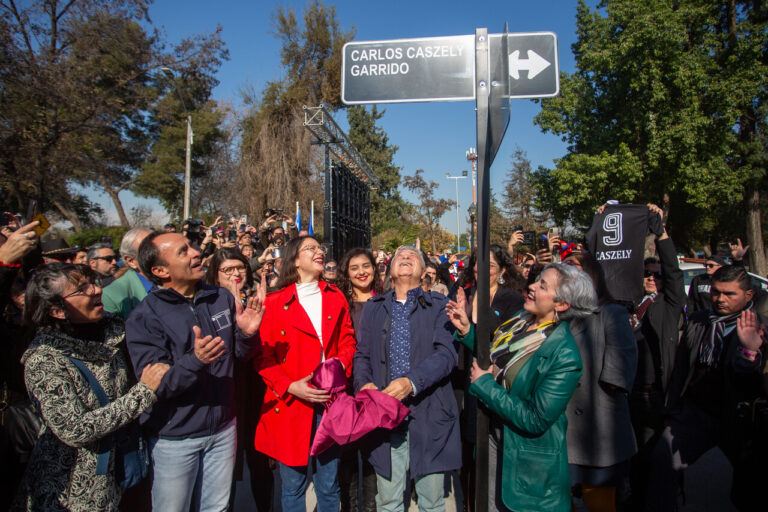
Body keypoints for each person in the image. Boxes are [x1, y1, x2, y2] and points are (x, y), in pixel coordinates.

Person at [125, 232, 265, 512]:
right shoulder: (144, 317)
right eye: (183, 251)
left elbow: (238, 355)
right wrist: (196, 360)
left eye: (192, 246)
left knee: (217, 508)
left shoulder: (220, 297)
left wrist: (247, 334)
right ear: (160, 271)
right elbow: (158, 386)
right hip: (175, 438)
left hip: (224, 429)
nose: (196, 252)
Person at [12, 263, 169, 511]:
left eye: (94, 282)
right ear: (57, 310)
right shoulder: (45, 359)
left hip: (120, 472)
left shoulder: (113, 332)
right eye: (82, 289)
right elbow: (74, 428)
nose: (97, 290)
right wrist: (143, 393)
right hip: (73, 488)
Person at [447, 263, 597, 512]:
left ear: (562, 305)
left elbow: (535, 418)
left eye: (542, 285)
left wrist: (485, 385)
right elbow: (495, 357)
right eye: (536, 280)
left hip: (527, 464)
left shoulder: (565, 355)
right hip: (494, 443)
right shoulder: (521, 320)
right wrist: (466, 331)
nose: (531, 286)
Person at [647, 265, 767, 512]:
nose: (720, 299)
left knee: (750, 488)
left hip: (740, 418)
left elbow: (753, 379)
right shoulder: (699, 321)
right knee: (662, 458)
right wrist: (672, 407)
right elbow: (681, 367)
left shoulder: (760, 327)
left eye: (729, 294)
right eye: (716, 292)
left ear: (748, 296)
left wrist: (750, 352)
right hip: (696, 412)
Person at [354, 245, 461, 512]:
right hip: (385, 413)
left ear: (425, 272)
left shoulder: (440, 306)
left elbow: (446, 354)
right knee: (388, 501)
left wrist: (410, 382)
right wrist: (363, 383)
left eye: (413, 256)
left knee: (431, 501)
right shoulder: (374, 308)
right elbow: (362, 355)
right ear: (389, 272)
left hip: (429, 412)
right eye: (400, 256)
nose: (406, 257)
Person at [254, 236, 357, 512]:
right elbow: (262, 357)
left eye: (320, 248)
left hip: (329, 402)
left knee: (328, 485)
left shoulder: (336, 296)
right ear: (295, 260)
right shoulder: (274, 303)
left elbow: (348, 341)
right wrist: (289, 386)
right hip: (290, 405)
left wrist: (338, 369)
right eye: (310, 248)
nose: (319, 252)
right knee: (293, 487)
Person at [562, 251, 638, 511]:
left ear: (592, 274)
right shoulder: (560, 317)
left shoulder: (611, 314)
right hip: (563, 432)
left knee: (601, 504)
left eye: (575, 267)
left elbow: (619, 375)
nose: (569, 275)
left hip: (598, 433)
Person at [204, 248, 274, 512]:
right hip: (225, 392)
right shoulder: (206, 303)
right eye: (228, 270)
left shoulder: (258, 297)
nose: (236, 274)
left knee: (261, 463)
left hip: (258, 391)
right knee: (226, 470)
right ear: (215, 274)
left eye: (240, 268)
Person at [626, 207, 685, 510]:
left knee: (655, 463)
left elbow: (674, 273)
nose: (650, 279)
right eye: (646, 274)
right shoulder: (629, 305)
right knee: (633, 461)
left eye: (656, 275)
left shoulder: (669, 304)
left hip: (655, 396)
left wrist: (661, 234)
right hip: (627, 394)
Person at [336, 247, 381, 512]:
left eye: (366, 266)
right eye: (354, 268)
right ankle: (349, 506)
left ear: (374, 269)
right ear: (347, 273)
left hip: (377, 386)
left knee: (374, 455)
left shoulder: (386, 300)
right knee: (348, 454)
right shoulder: (340, 303)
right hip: (346, 388)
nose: (361, 272)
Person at [102, 228, 152, 321]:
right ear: (131, 261)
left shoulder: (177, 282)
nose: (161, 254)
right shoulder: (110, 297)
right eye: (150, 250)